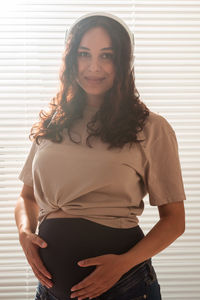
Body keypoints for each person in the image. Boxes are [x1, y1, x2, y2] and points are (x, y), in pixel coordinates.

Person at [14, 12, 186, 300]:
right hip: (50, 291)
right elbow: (27, 197)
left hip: (126, 287)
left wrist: (122, 265)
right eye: (84, 54)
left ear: (123, 62)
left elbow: (174, 220)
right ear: (71, 59)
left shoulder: (152, 128)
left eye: (107, 55)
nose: (94, 66)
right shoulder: (54, 122)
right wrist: (24, 233)